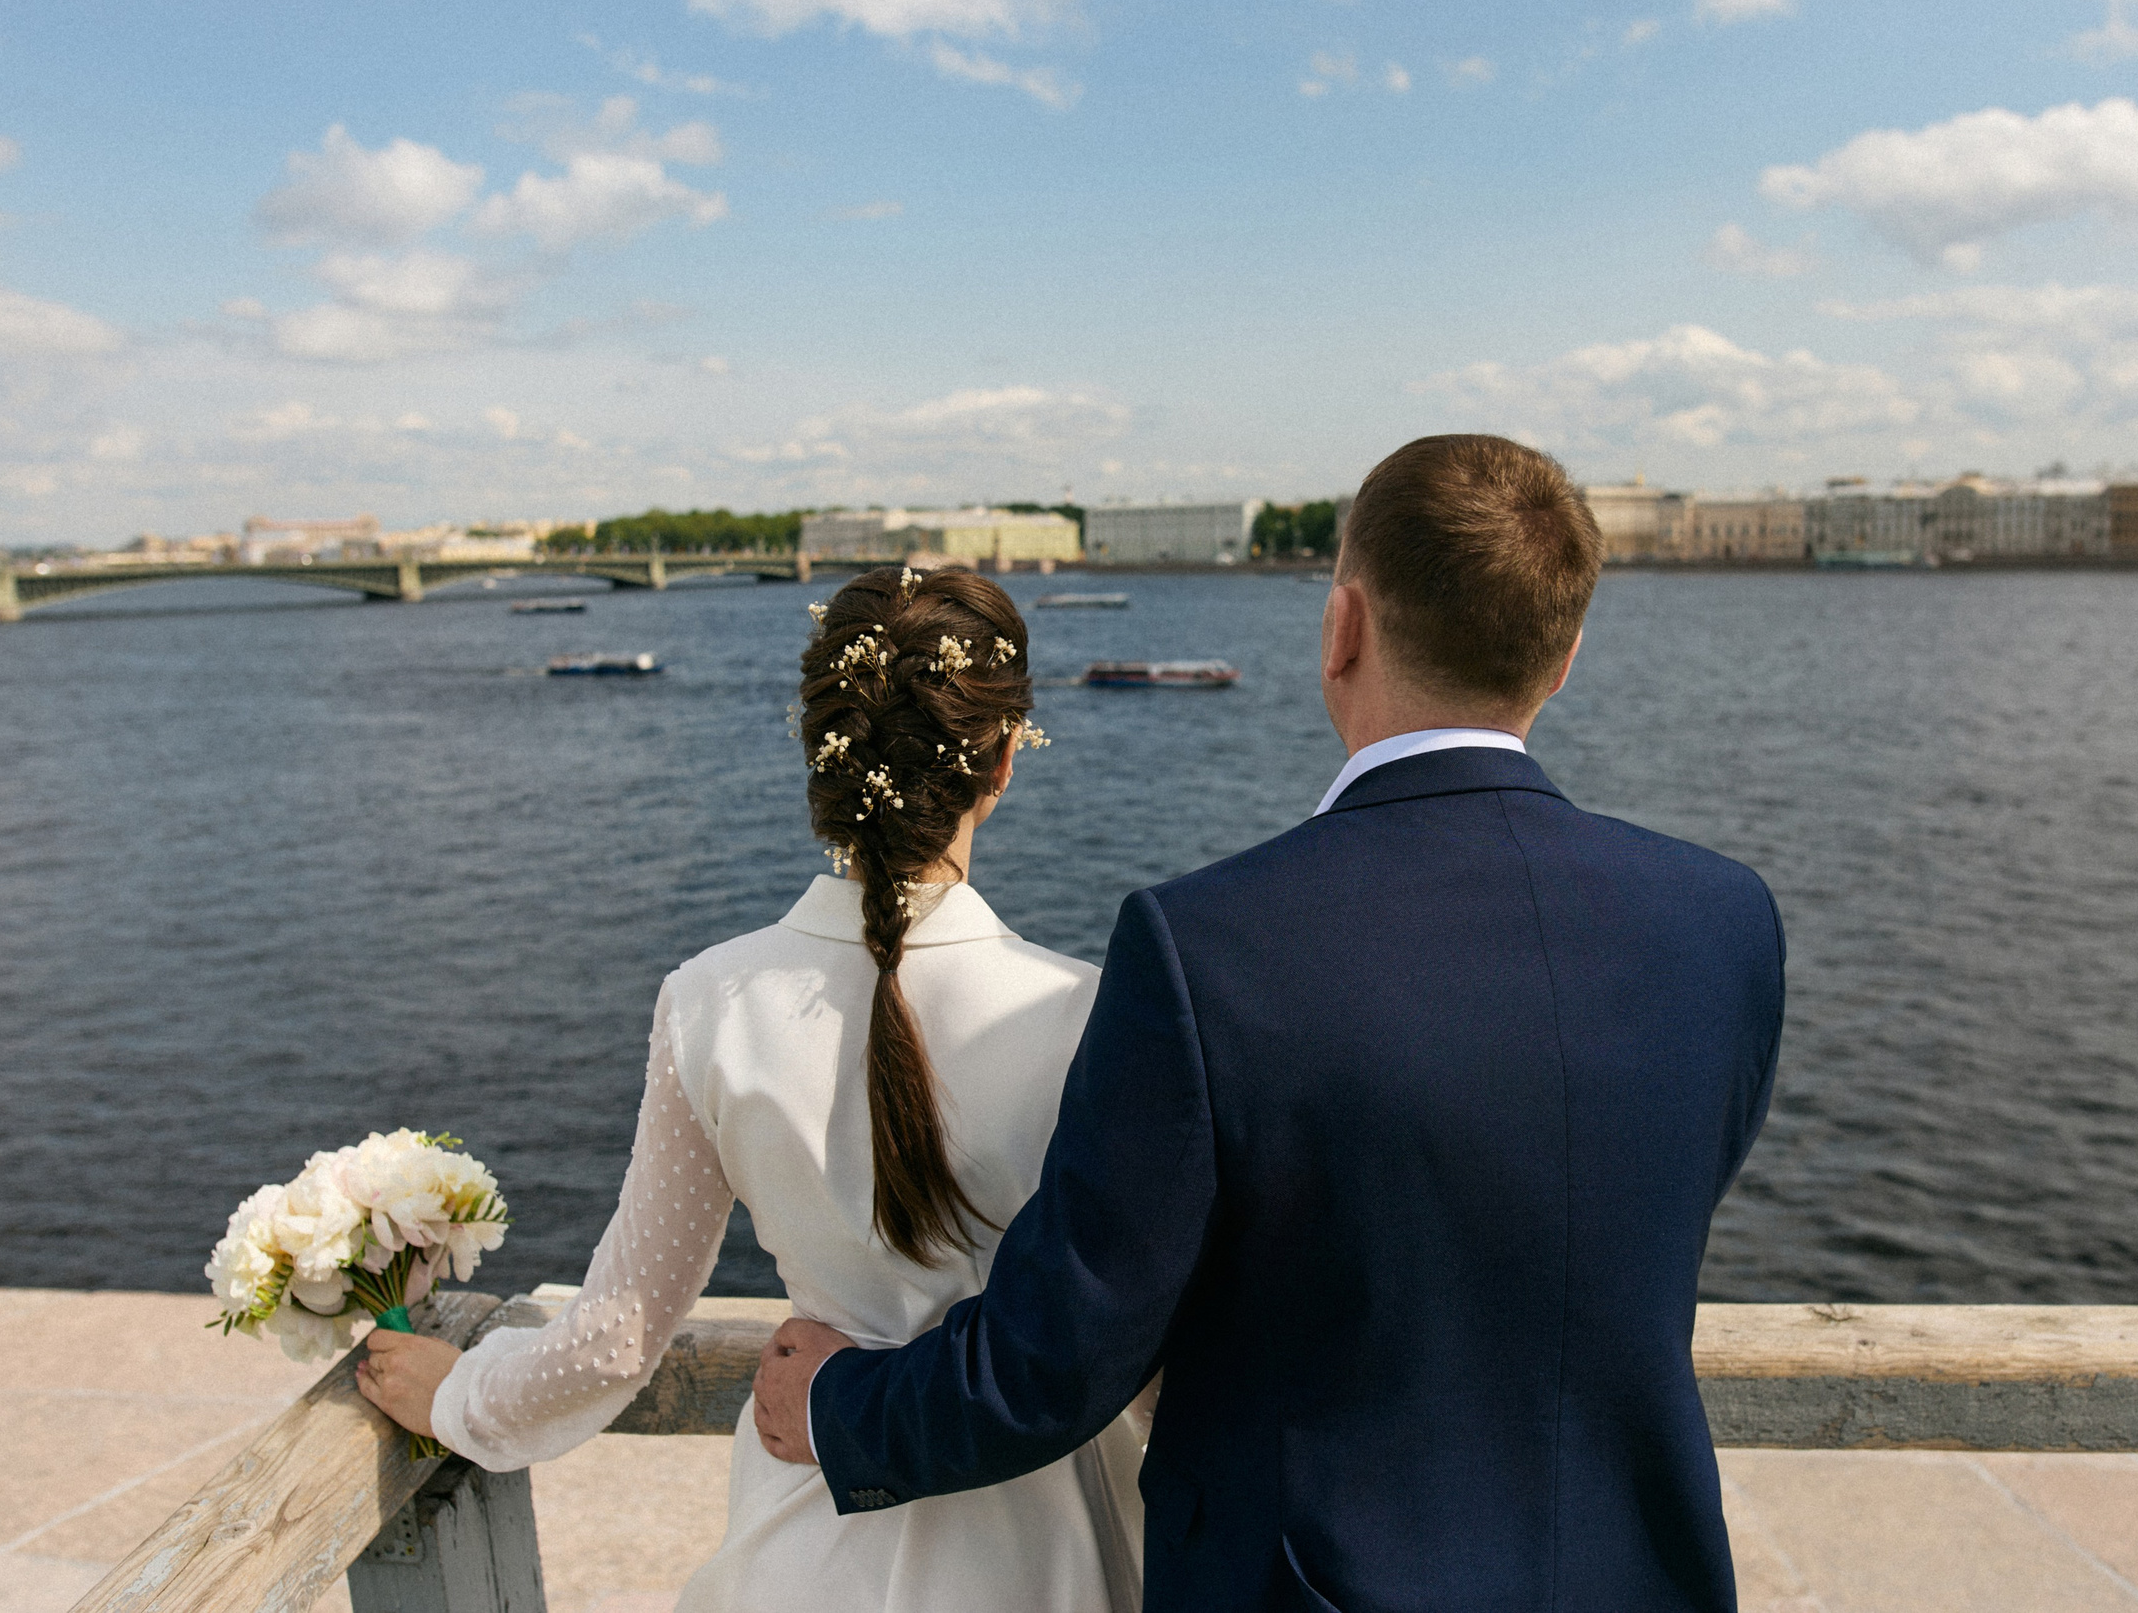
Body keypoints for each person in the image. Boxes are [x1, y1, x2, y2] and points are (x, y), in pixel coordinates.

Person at [754, 435, 1786, 1612]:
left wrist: (841, 1408)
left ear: (1342, 626)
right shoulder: (1724, 926)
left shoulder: (1207, 950)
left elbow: (1062, 1354)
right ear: (1563, 660)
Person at [355, 566, 1148, 1613]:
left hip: (808, 1545)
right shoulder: (1093, 1016)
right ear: (1001, 762)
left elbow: (615, 1338)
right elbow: (1139, 1349)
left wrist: (458, 1395)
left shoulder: (708, 1003)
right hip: (1049, 1560)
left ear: (820, 756)